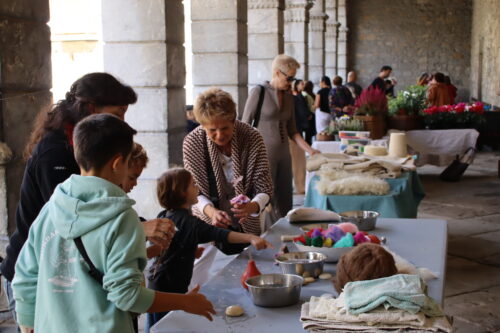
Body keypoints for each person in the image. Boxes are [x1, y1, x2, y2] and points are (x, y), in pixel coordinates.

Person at [12, 114, 215, 333]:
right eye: (129, 164)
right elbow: (128, 296)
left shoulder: (51, 208)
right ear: (118, 163)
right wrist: (185, 302)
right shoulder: (122, 218)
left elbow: (25, 276)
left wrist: (28, 322)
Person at [0, 73, 172, 328]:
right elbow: (74, 222)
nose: (123, 123)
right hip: (41, 274)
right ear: (91, 109)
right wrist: (137, 229)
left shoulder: (80, 150)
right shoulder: (55, 153)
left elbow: (97, 212)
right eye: (118, 114)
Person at [145, 168, 273, 331]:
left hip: (157, 285)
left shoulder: (165, 214)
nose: (196, 186)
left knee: (155, 327)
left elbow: (167, 246)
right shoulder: (189, 222)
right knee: (166, 327)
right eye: (192, 184)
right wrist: (250, 237)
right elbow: (221, 234)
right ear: (182, 193)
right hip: (171, 291)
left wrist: (189, 249)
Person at [183, 87, 273, 286]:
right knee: (197, 273)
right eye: (211, 130)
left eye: (224, 128)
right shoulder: (193, 142)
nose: (219, 135)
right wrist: (211, 211)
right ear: (202, 126)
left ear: (234, 121)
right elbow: (194, 191)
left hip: (249, 215)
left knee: (251, 267)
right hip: (206, 215)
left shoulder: (252, 136)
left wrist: (252, 206)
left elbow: (264, 186)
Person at [242, 54, 320, 220]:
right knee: (265, 199)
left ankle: (284, 234)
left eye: (294, 78)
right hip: (263, 155)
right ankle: (265, 238)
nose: (291, 82)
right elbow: (245, 125)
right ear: (277, 72)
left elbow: (293, 130)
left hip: (285, 155)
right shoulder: (259, 92)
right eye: (289, 77)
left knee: (285, 200)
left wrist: (310, 150)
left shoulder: (289, 97)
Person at [291, 80, 309, 194]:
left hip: (293, 132)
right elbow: (303, 114)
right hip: (294, 133)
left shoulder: (293, 98)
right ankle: (300, 187)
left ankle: (300, 187)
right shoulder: (296, 98)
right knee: (298, 162)